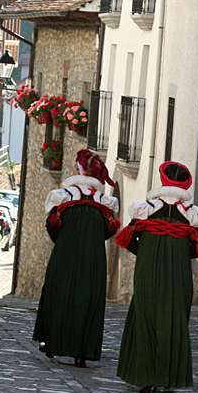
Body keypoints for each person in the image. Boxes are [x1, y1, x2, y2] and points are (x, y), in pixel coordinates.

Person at [115, 161, 198, 393]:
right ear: (185, 183)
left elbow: (129, 239)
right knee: (175, 318)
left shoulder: (143, 209)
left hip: (147, 270)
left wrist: (148, 252)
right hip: (179, 272)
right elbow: (195, 248)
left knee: (145, 316)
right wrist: (176, 253)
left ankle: (147, 378)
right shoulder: (192, 215)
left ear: (163, 180)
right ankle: (168, 376)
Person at [33, 149, 120, 367]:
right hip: (94, 257)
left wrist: (65, 242)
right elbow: (109, 231)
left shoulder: (63, 196)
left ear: (79, 170)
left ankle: (53, 343)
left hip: (65, 252)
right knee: (89, 297)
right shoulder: (104, 201)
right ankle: (83, 351)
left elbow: (52, 225)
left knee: (58, 292)